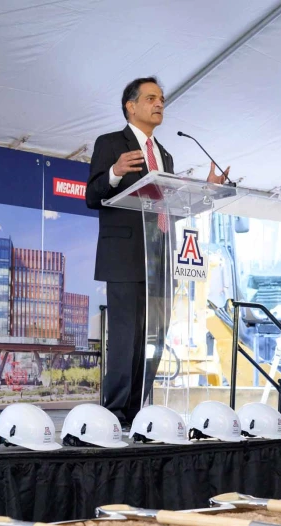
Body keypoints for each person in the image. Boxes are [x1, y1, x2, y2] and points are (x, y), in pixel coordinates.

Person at [85, 76, 227, 426]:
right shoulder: (109, 143)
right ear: (130, 106)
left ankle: (137, 413)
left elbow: (169, 204)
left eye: (161, 98)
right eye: (151, 98)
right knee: (125, 341)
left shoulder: (165, 154)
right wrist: (115, 172)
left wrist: (206, 191)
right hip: (124, 260)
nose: (159, 103)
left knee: (153, 345)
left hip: (159, 262)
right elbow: (92, 195)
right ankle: (114, 416)